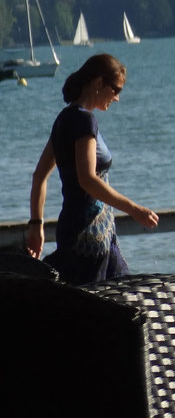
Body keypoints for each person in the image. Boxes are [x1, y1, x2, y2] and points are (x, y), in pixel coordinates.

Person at [27, 54, 159, 284]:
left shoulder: (63, 119)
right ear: (99, 83)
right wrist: (134, 209)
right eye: (116, 90)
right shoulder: (86, 122)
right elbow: (87, 179)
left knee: (103, 301)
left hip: (83, 231)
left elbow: (39, 177)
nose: (117, 98)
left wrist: (36, 225)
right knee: (104, 306)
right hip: (89, 238)